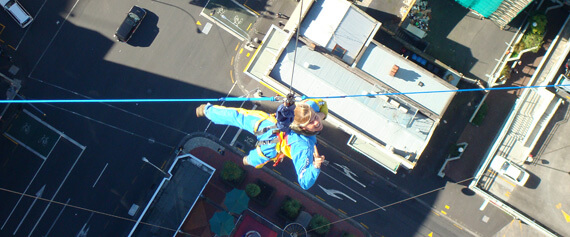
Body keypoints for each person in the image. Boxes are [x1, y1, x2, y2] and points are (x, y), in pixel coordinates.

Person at [196, 99, 327, 190]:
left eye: (315, 118)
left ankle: (208, 111)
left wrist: (321, 115)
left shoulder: (308, 107)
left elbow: (321, 103)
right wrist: (315, 166)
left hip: (268, 124)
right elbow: (304, 182)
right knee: (260, 154)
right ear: (301, 127)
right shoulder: (302, 145)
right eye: (310, 122)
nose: (316, 123)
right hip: (274, 141)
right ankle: (208, 111)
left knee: (240, 117)